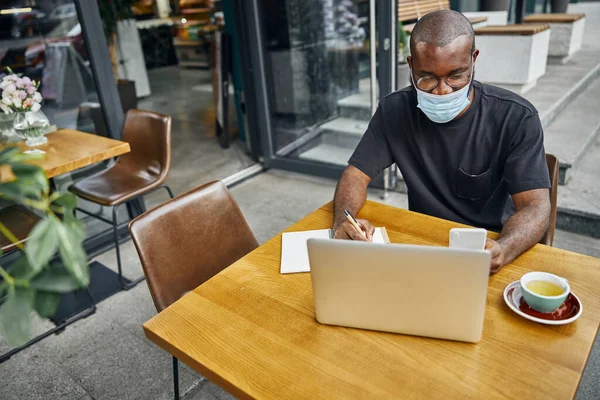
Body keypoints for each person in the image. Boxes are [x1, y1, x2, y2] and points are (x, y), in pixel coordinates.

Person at [332, 10, 551, 274]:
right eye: (427, 78)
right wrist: (343, 222)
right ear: (411, 65)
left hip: (488, 247)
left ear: (474, 59)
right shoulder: (394, 111)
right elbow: (355, 175)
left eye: (456, 76)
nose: (442, 90)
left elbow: (536, 206)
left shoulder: (515, 118)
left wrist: (504, 248)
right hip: (423, 242)